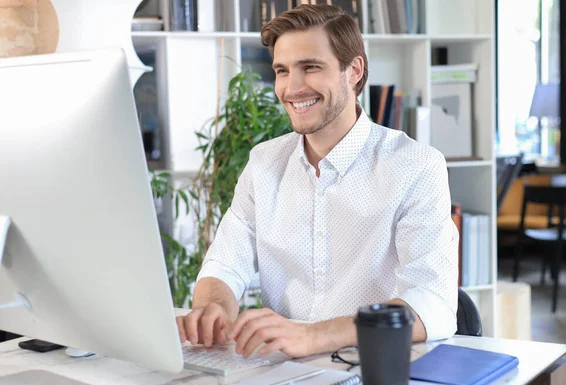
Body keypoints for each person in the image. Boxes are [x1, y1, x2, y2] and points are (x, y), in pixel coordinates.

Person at [176, 4, 458, 359]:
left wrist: (315, 336)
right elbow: (225, 264)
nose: (292, 88)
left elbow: (433, 302)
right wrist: (214, 306)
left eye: (310, 67)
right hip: (282, 369)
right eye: (282, 70)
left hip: (373, 367)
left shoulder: (415, 166)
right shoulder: (264, 163)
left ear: (353, 70)